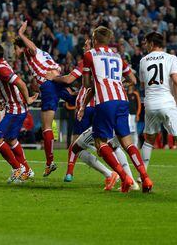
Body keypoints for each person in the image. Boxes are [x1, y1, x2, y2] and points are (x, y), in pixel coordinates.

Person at [46, 38, 132, 189]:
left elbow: (69, 79)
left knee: (79, 147)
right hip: (103, 105)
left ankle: (113, 175)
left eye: (86, 44)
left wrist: (54, 78)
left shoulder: (89, 60)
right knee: (107, 144)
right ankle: (124, 177)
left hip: (90, 109)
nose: (84, 46)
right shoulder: (107, 59)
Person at [79, 26, 153, 193]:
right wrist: (117, 83)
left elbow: (85, 84)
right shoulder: (117, 56)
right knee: (127, 142)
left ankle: (124, 177)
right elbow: (133, 79)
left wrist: (99, 83)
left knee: (100, 142)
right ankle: (145, 177)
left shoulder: (89, 54)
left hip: (105, 101)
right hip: (122, 100)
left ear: (94, 39)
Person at [15, 21, 75, 177]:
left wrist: (21, 34)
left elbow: (32, 48)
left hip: (49, 85)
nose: (14, 52)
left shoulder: (30, 52)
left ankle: (49, 163)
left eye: (15, 48)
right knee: (77, 100)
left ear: (22, 47)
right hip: (57, 81)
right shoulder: (43, 54)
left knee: (46, 127)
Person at [0, 43, 38, 183]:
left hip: (15, 109)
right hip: (15, 108)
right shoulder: (0, 65)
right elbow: (2, 84)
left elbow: (20, 83)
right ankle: (27, 170)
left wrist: (27, 98)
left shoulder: (1, 69)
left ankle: (17, 168)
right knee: (10, 139)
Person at [139, 32, 177, 178]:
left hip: (150, 103)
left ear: (151, 43)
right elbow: (175, 79)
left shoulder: (143, 60)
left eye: (146, 43)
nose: (145, 46)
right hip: (167, 102)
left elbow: (143, 83)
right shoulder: (171, 58)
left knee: (149, 140)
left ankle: (142, 175)